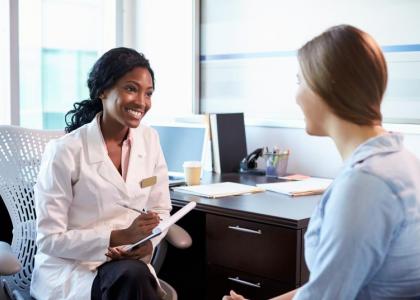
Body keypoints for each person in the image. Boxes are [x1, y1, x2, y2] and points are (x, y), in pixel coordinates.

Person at [224, 25, 420, 299]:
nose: (296, 95)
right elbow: (325, 286)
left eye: (299, 80)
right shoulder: (398, 160)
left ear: (326, 85)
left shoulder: (365, 184)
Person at [30, 47, 172, 300]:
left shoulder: (149, 140)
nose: (142, 101)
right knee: (132, 279)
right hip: (73, 268)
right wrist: (118, 237)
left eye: (148, 93)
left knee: (132, 276)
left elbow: (160, 211)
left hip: (128, 265)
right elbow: (49, 240)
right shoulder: (65, 151)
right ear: (103, 90)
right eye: (131, 89)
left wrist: (146, 243)